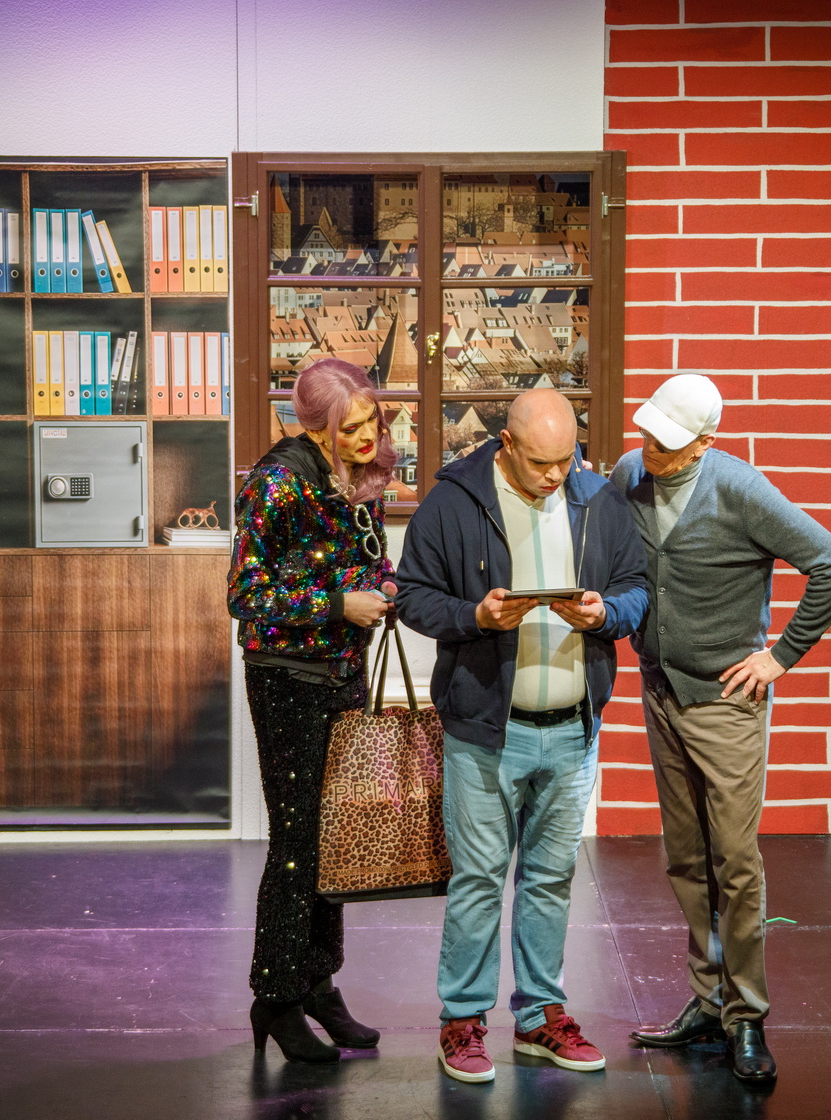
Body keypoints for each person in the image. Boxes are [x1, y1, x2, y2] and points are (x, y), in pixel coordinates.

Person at [395, 387, 649, 1084]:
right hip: (486, 732)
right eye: (541, 463)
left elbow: (636, 587)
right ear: (506, 445)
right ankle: (462, 1020)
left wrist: (605, 614)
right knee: (479, 879)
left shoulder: (598, 500)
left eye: (567, 459)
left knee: (550, 879)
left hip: (571, 730)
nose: (556, 475)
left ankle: (540, 1016)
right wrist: (475, 617)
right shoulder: (453, 502)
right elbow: (412, 595)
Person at [611, 373, 831, 1084]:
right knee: (686, 857)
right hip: (661, 690)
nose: (651, 452)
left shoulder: (739, 489)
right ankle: (708, 999)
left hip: (724, 702)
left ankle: (746, 1015)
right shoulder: (630, 474)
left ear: (704, 444)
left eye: (667, 445)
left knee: (735, 862)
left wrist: (780, 657)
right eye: (648, 437)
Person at [226, 358, 399, 1063]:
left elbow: (365, 562)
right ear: (316, 425)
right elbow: (245, 594)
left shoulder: (360, 476)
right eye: (349, 427)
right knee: (297, 844)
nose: (367, 435)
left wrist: (384, 588)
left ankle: (317, 986)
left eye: (371, 420)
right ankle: (275, 998)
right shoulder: (277, 482)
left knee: (334, 841)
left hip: (342, 673)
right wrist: (337, 605)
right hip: (288, 680)